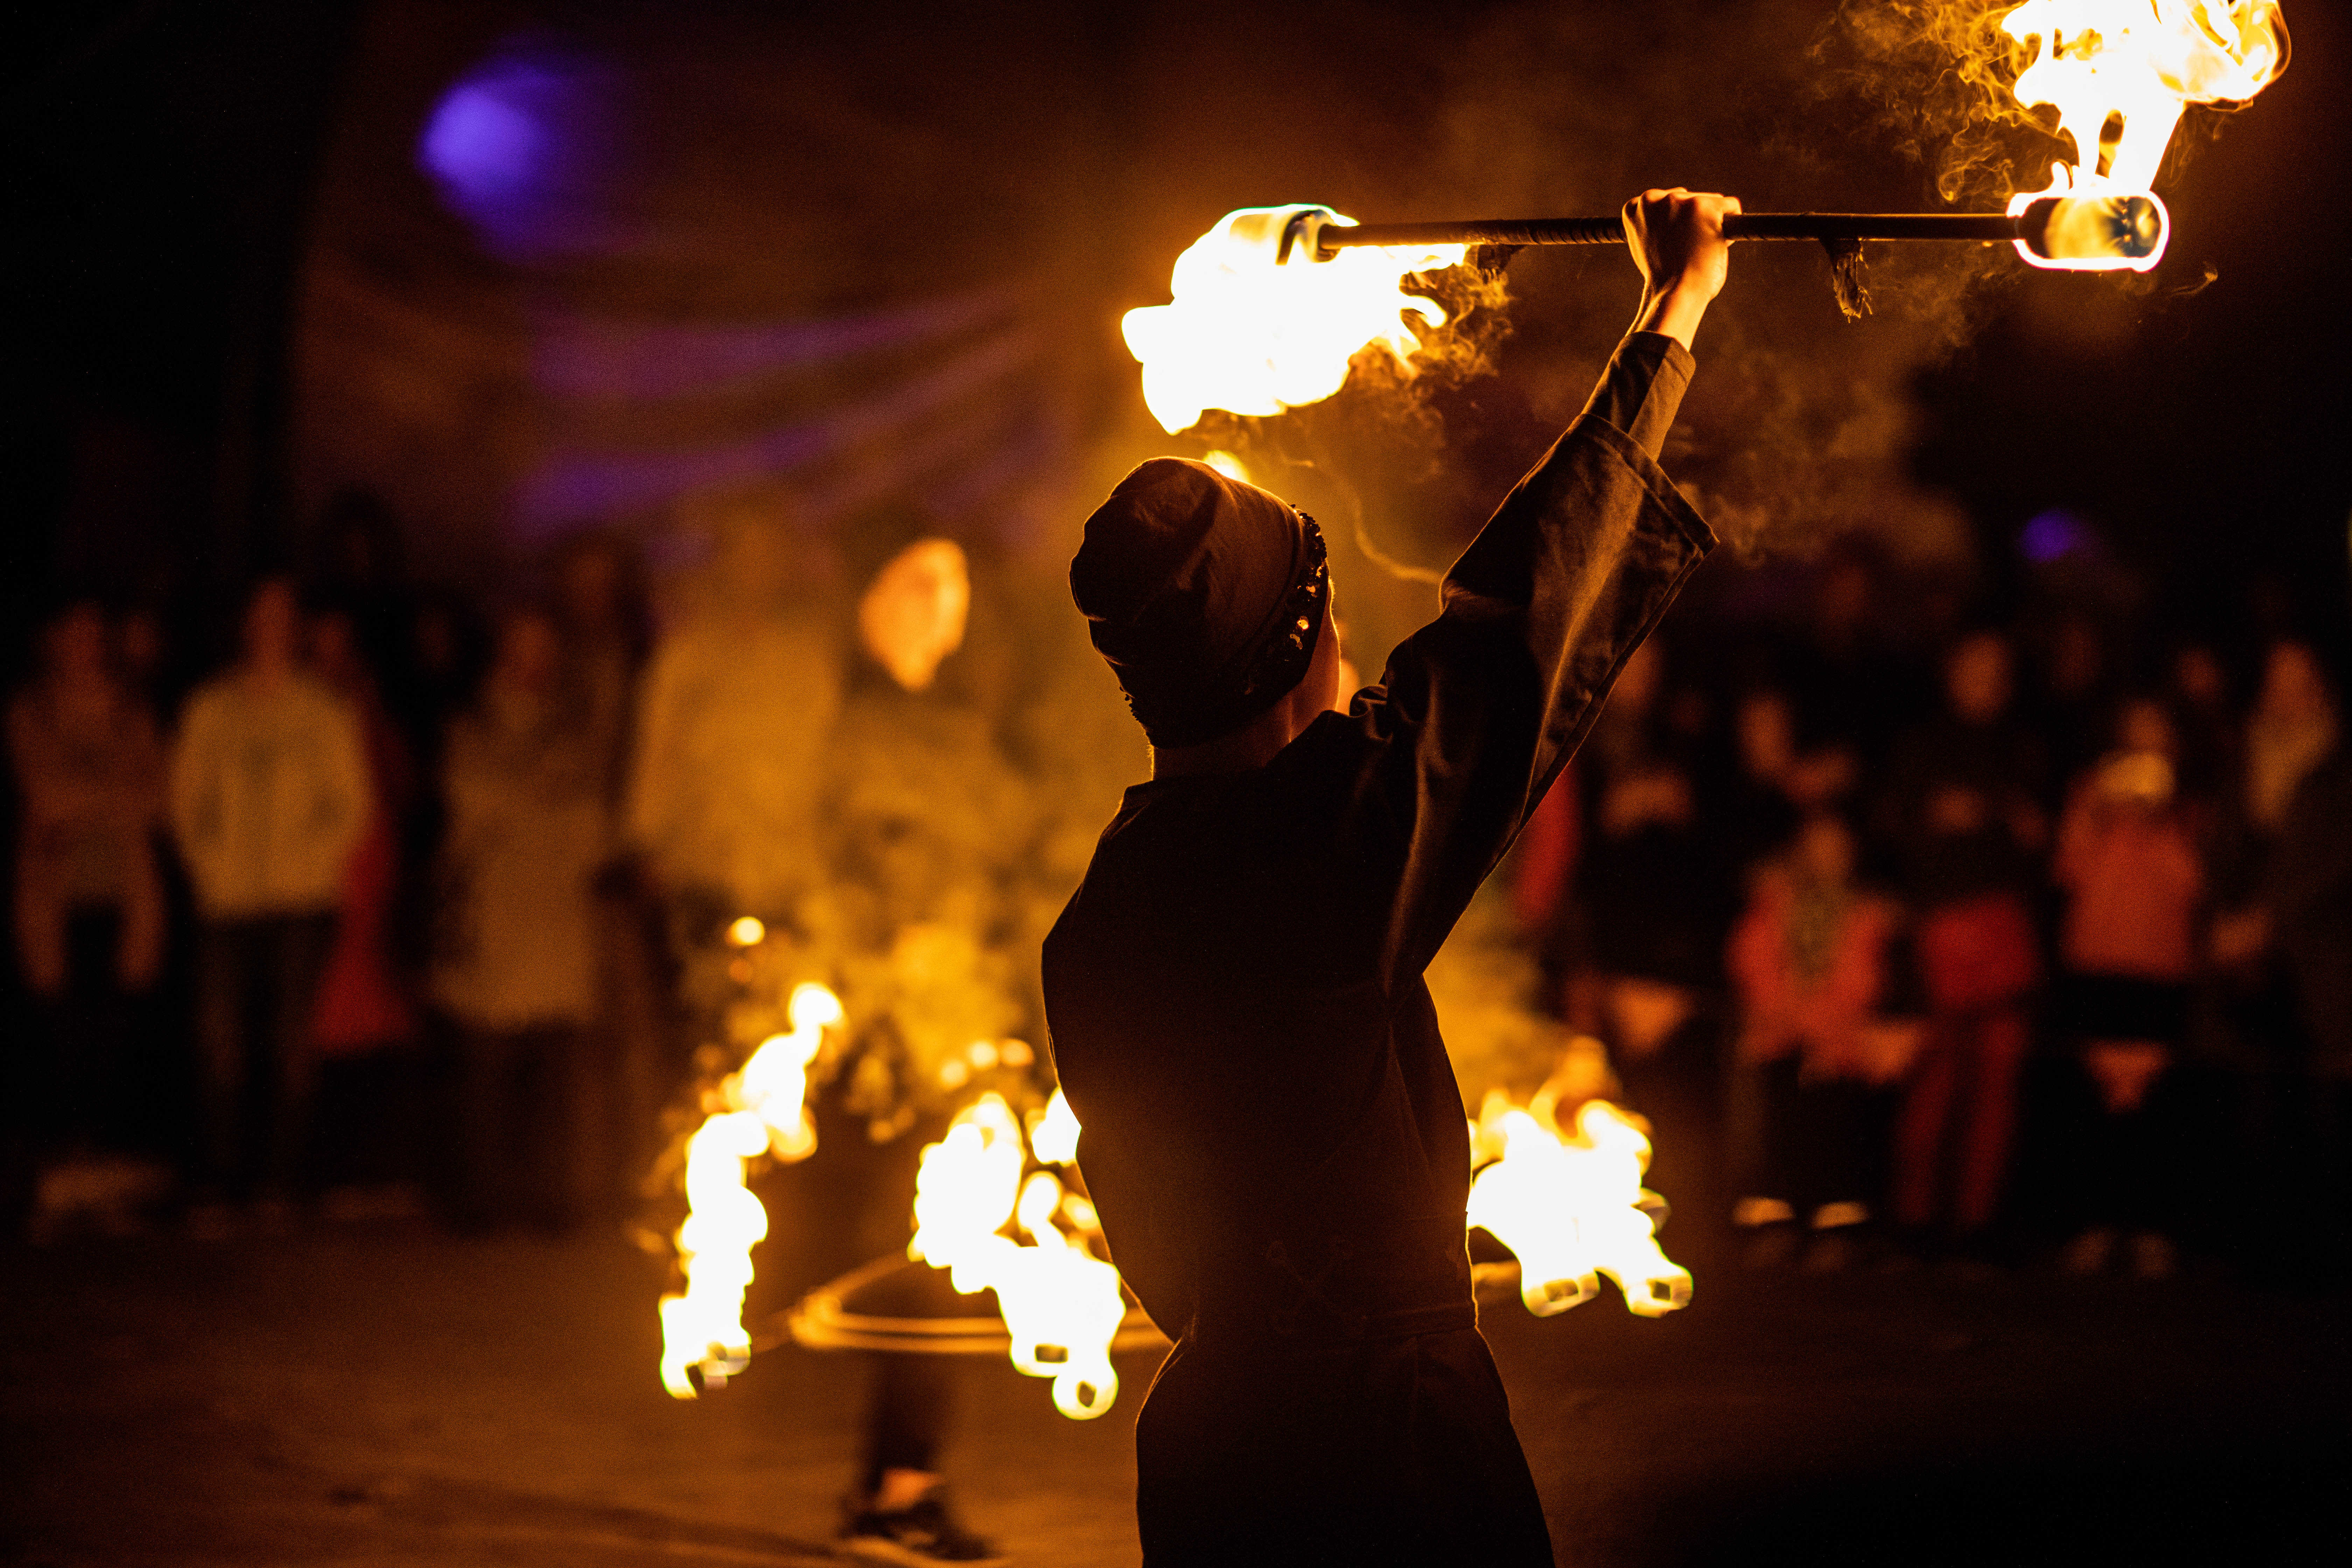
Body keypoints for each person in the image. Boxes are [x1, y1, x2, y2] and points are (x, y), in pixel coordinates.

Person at [1042, 188, 1732, 1563]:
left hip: (1215, 1444)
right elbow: (1512, 633)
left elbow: (1159, 1249)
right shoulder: (1318, 854)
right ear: (1303, 647)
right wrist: (1671, 317)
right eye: (1336, 612)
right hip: (1377, 1451)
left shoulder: (1100, 914)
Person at [169, 579, 372, 1223]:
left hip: (301, 900)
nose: (271, 629)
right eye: (261, 616)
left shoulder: (322, 710)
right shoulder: (211, 709)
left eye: (284, 617)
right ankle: (223, 1179)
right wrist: (210, 866)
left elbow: (353, 806)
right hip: (226, 901)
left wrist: (312, 864)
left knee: (292, 1045)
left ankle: (282, 1181)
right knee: (221, 1042)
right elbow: (185, 799)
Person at [432, 607, 610, 1230]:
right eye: (520, 646)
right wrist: (534, 793)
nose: (532, 662)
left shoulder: (575, 732)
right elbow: (470, 803)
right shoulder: (471, 726)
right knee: (488, 1068)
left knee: (549, 1075)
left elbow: (592, 828)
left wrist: (525, 802)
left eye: (543, 649)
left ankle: (549, 1203)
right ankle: (481, 1202)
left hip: (555, 916)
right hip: (493, 914)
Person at [1883, 628, 2047, 1253]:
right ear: (1952, 672)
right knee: (1940, 1072)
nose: (1988, 681)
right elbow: (1906, 828)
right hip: (1945, 923)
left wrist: (1992, 817)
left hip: (2006, 923)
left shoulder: (2024, 750)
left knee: (1998, 1080)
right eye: (1976, 667)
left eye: (1997, 669)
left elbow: (2038, 841)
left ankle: (1978, 1222)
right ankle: (1918, 1218)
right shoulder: (1923, 746)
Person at [7, 602, 169, 1226]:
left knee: (115, 1031)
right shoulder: (30, 709)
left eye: (93, 636)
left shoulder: (133, 709)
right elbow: (42, 791)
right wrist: (112, 794)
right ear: (50, 642)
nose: (83, 647)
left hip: (124, 894)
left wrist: (87, 797)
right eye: (70, 635)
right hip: (56, 894)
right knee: (60, 1031)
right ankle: (61, 1168)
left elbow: (156, 799)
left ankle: (103, 1171)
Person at [2050, 699, 2203, 1278]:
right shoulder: (2091, 794)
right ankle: (2094, 1223)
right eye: (2133, 732)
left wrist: (2160, 824)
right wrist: (2097, 813)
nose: (2144, 744)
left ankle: (2148, 1228)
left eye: (2156, 732)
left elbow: (2192, 884)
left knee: (2153, 1103)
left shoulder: (2187, 810)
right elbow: (2068, 869)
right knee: (2094, 1101)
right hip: (2097, 960)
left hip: (2160, 967)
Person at [1726, 812, 1912, 1270]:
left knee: (1838, 1140)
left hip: (1839, 1049)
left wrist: (1823, 1027)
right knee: (1780, 1138)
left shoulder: (1869, 912)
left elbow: (1864, 977)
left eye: (1837, 848)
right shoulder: (1776, 903)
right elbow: (1752, 958)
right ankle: (1777, 1229)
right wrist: (1788, 1013)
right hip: (1779, 1042)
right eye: (1816, 847)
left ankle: (1839, 1234)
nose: (1827, 857)